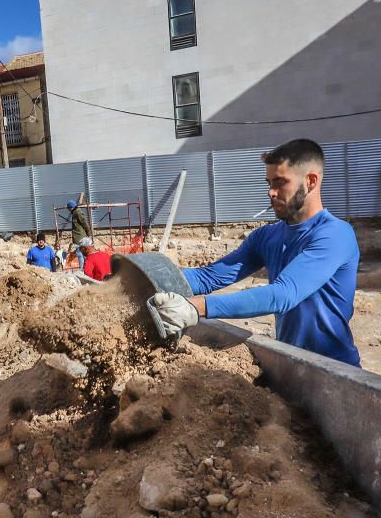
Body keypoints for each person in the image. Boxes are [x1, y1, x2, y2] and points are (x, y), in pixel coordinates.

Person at [152, 138, 361, 367]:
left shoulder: (334, 235)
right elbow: (209, 277)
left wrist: (197, 307)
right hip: (290, 363)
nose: (271, 192)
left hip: (336, 369)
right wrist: (149, 278)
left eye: (280, 182)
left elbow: (283, 294)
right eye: (269, 182)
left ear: (311, 181)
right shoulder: (266, 237)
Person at [67, 199, 90, 269]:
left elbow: (84, 222)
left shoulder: (78, 212)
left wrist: (88, 232)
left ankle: (82, 269)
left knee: (79, 253)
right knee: (80, 253)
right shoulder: (74, 213)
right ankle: (84, 267)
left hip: (80, 237)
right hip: (77, 237)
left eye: (68, 208)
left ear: (71, 207)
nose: (68, 210)